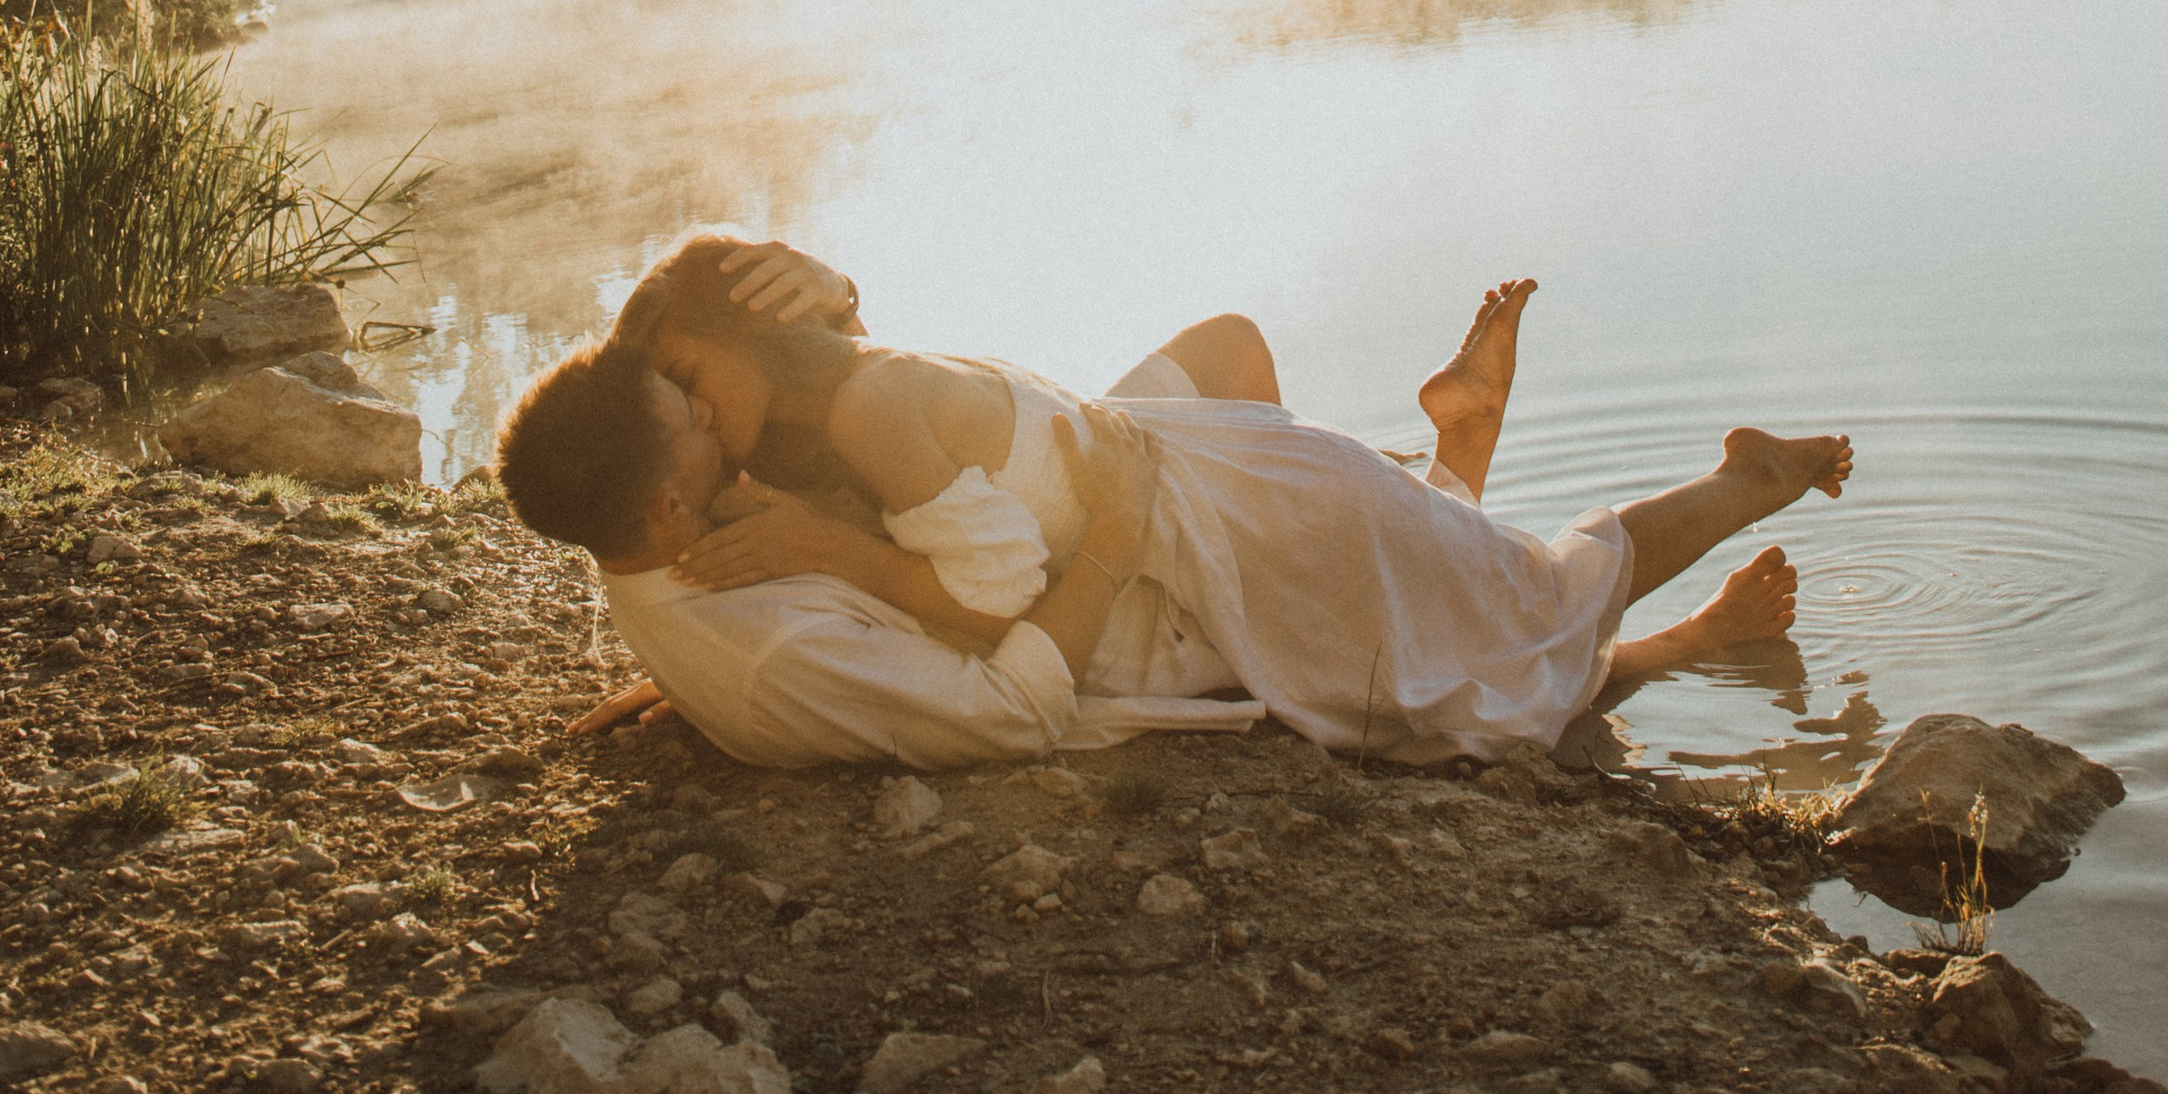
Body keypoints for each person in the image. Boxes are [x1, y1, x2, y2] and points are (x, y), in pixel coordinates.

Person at [492, 236, 1843, 772]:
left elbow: (967, 580)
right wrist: (693, 666)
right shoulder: (787, 443)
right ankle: (1461, 474)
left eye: (684, 377)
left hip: (1232, 507)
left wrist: (833, 553)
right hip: (1199, 481)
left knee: (1518, 615)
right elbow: (820, 546)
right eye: (667, 393)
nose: (692, 411)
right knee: (1481, 634)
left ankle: (1739, 479)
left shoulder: (843, 419)